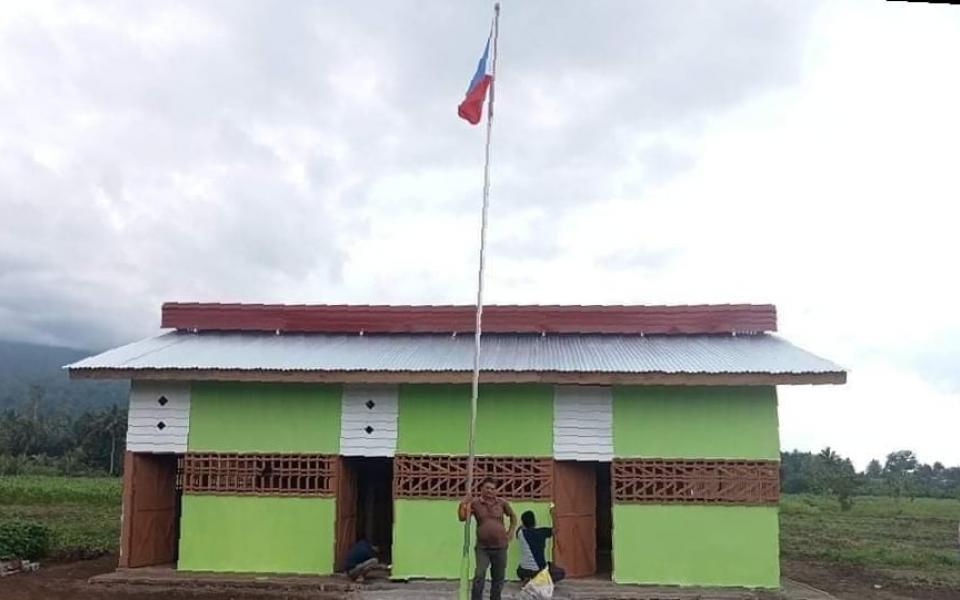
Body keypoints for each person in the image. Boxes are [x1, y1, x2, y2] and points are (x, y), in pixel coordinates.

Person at [458, 477, 517, 600]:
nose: (490, 491)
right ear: (481, 489)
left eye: (493, 489)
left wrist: (510, 532)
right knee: (479, 575)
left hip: (500, 547)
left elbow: (513, 517)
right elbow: (463, 517)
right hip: (482, 548)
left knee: (498, 578)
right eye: (487, 488)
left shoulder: (502, 503)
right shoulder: (475, 503)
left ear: (496, 491)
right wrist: (462, 504)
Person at [515, 509, 565, 584]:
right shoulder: (542, 532)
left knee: (519, 570)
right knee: (561, 573)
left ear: (523, 523)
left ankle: (529, 579)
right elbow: (556, 529)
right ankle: (539, 579)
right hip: (539, 570)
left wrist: (524, 523)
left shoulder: (520, 533)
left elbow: (521, 527)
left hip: (523, 571)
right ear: (534, 521)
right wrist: (553, 514)